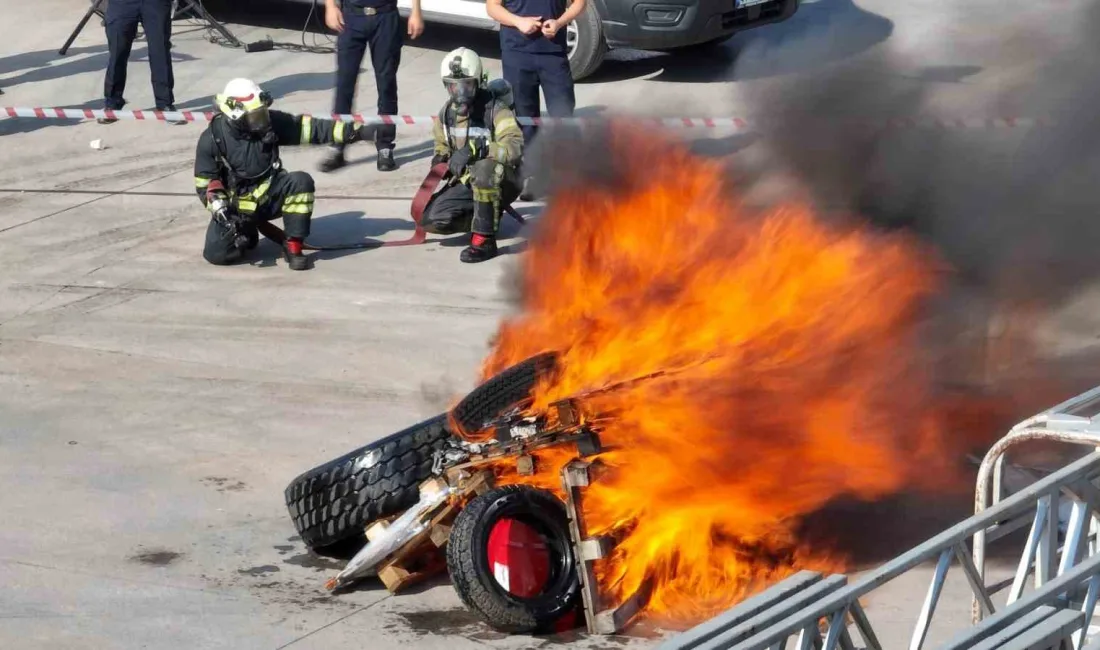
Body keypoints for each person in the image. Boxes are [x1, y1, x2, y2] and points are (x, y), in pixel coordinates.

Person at [193, 79, 378, 271]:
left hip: (270, 196)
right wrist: (223, 214)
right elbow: (204, 184)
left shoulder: (269, 123)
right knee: (217, 255)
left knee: (300, 182)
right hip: (236, 209)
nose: (263, 121)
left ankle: (293, 247)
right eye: (256, 117)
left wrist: (357, 132)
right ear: (235, 115)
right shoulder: (212, 139)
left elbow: (309, 128)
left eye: (263, 113)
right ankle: (247, 231)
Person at [422, 48, 524, 264]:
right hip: (469, 182)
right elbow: (441, 144)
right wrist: (440, 159)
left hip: (504, 178)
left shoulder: (496, 108)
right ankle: (486, 215)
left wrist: (480, 149)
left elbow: (515, 147)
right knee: (431, 220)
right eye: (453, 85)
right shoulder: (445, 114)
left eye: (466, 85)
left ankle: (484, 239)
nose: (460, 92)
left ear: (478, 82)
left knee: (484, 168)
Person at [486, 0, 584, 195]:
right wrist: (518, 22)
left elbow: (580, 3)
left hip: (553, 54)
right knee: (524, 118)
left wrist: (559, 22)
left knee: (562, 113)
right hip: (517, 53)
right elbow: (492, 7)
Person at [318, 0, 424, 173]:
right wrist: (330, 7)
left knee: (386, 84)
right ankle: (337, 145)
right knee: (345, 84)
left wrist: (416, 12)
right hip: (351, 17)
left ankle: (385, 147)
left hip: (385, 16)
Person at [98, 0, 185, 126]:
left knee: (160, 52)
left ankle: (165, 104)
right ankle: (112, 104)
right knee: (117, 53)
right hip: (121, 4)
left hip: (155, 4)